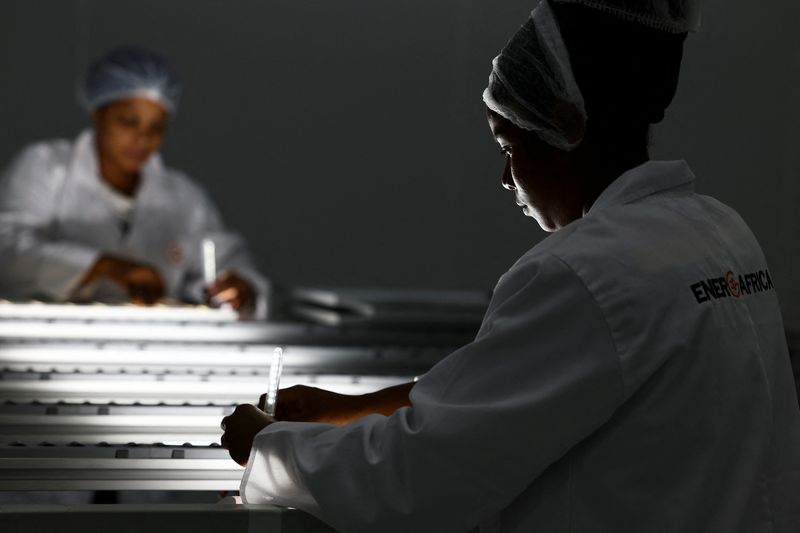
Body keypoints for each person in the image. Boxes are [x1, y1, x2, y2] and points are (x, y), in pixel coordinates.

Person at [221, 1, 800, 531]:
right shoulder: (720, 231)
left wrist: (272, 447)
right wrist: (353, 409)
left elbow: (419, 479)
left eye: (508, 146)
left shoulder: (582, 271)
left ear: (564, 127)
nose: (505, 178)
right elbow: (533, 383)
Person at [0, 46, 269, 318]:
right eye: (128, 122)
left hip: (150, 351)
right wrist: (108, 267)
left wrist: (241, 285)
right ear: (98, 112)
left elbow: (227, 260)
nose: (142, 139)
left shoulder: (185, 198)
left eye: (156, 127)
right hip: (47, 343)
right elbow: (7, 251)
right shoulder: (46, 167)